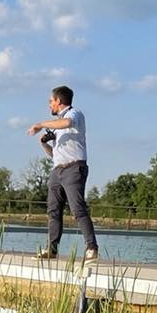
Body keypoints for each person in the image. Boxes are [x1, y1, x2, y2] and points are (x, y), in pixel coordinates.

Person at [26, 85, 99, 260]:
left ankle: (92, 247)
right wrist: (44, 144)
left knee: (77, 208)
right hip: (58, 169)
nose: (49, 105)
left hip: (74, 168)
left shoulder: (74, 114)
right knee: (53, 210)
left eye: (50, 101)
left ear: (58, 101)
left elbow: (67, 123)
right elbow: (55, 155)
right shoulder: (58, 126)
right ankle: (52, 249)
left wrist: (40, 124)